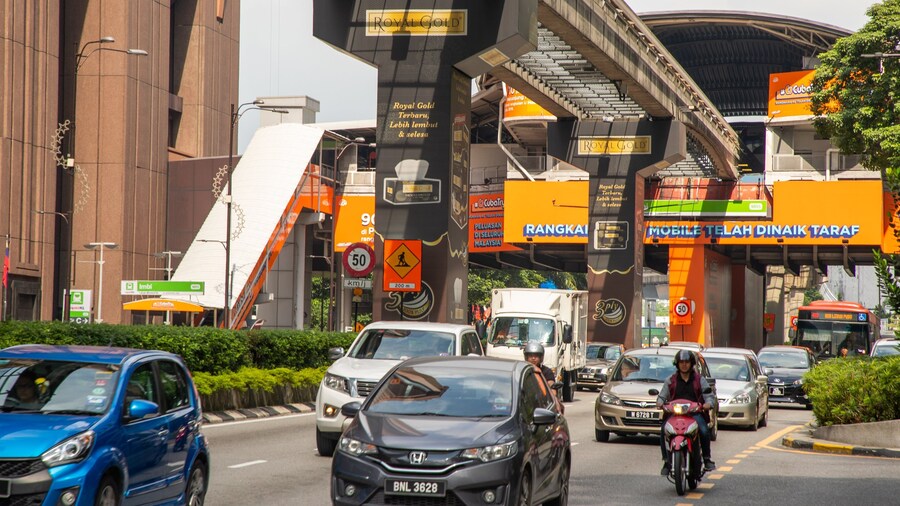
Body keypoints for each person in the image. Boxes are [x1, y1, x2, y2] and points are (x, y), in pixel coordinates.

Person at [656, 349, 717, 475]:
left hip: (694, 414)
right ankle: (666, 461)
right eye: (681, 362)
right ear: (677, 364)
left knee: (704, 430)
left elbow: (709, 396)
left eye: (687, 362)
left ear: (691, 363)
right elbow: (662, 396)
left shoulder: (699, 379)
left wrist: (708, 404)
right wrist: (660, 403)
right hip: (674, 414)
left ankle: (707, 459)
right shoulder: (670, 380)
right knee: (663, 430)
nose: (684, 365)